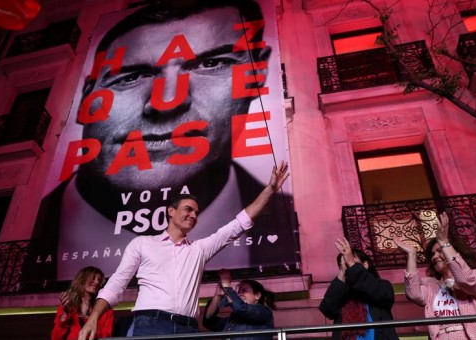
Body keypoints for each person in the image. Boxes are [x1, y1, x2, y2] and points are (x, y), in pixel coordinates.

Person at [26, 0, 297, 282]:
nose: (166, 101)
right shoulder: (40, 222)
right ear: (87, 96)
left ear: (258, 73)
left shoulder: (278, 217)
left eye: (211, 63)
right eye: (132, 76)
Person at [78, 161, 289, 339]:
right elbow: (117, 283)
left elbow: (239, 224)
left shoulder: (199, 250)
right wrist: (95, 316)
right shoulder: (143, 243)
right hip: (151, 326)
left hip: (188, 328)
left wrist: (270, 189)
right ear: (171, 211)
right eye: (188, 209)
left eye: (197, 212)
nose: (193, 215)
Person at [393, 212, 476, 339]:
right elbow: (414, 294)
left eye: (440, 251)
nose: (435, 257)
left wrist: (444, 242)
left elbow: (465, 280)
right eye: (432, 254)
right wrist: (411, 255)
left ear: (454, 251)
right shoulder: (431, 284)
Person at [319, 237, 398, 340]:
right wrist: (342, 272)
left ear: (365, 265)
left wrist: (352, 263)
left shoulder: (382, 285)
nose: (349, 267)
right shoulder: (342, 295)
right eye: (344, 264)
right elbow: (327, 308)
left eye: (352, 262)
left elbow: (380, 294)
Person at [203, 268, 275, 340]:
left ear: (257, 295)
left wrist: (227, 286)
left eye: (244, 290)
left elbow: (241, 308)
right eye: (238, 291)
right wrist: (218, 295)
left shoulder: (265, 312)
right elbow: (209, 321)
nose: (239, 294)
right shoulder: (233, 319)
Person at [51, 266, 114, 340]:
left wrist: (88, 321)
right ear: (82, 280)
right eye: (93, 278)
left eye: (99, 280)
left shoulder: (106, 310)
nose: (97, 282)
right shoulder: (68, 306)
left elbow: (107, 336)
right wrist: (65, 315)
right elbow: (55, 337)